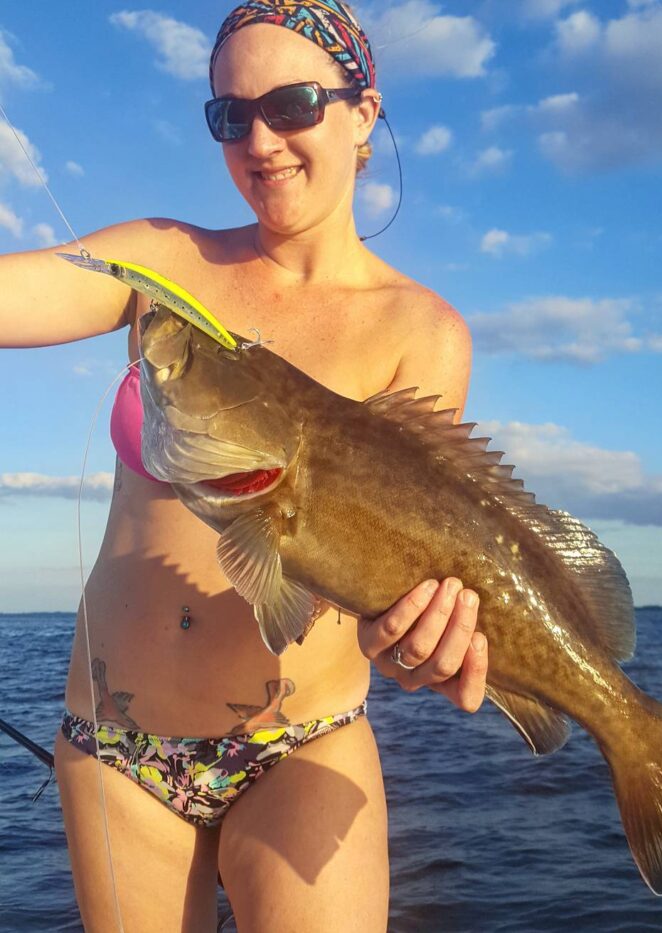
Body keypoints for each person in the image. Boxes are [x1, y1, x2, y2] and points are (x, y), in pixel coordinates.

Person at [2, 2, 487, 929]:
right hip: (115, 751)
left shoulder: (422, 331)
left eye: (294, 103)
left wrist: (420, 642)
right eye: (230, 115)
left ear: (363, 110)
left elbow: (399, 556)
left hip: (304, 744)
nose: (260, 139)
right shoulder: (163, 262)